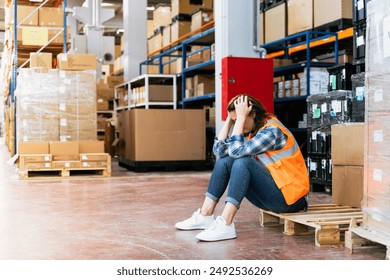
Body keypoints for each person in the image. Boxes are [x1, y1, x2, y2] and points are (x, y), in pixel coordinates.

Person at [175, 94, 309, 242]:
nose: (239, 124)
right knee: (225, 161)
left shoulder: (272, 131)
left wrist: (239, 121)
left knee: (243, 161)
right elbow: (219, 151)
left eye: (240, 119)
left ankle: (226, 222)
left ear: (253, 113)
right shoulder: (252, 130)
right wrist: (229, 120)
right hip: (273, 195)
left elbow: (237, 152)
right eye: (235, 120)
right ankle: (205, 215)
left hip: (291, 199)